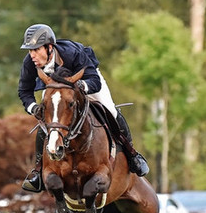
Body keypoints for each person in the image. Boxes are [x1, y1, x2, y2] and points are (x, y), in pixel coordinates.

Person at [17, 23, 150, 193]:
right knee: (47, 122)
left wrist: (82, 86)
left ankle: (132, 155)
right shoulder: (30, 63)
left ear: (49, 47)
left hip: (86, 82)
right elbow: (24, 91)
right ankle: (38, 170)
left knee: (110, 110)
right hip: (56, 89)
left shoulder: (72, 54)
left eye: (36, 50)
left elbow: (94, 80)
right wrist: (33, 107)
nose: (32, 55)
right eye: (30, 50)